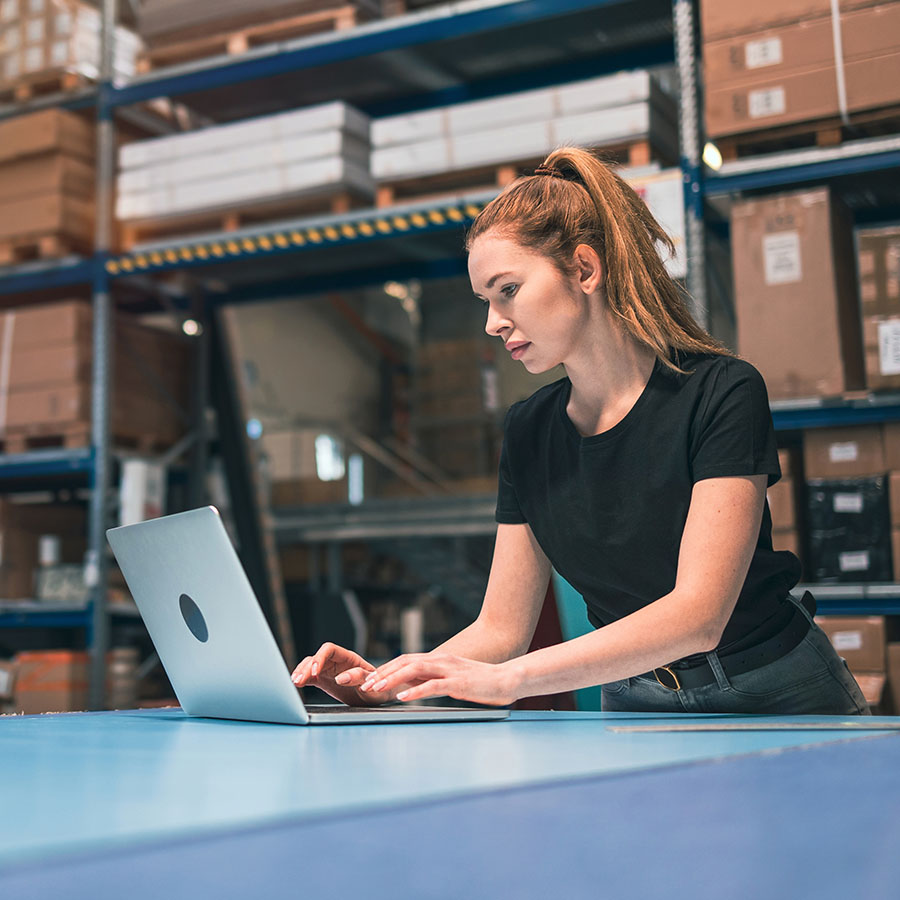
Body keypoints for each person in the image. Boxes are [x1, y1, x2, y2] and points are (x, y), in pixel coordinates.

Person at [291, 146, 870, 716]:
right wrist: (391, 683)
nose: (493, 323)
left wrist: (510, 680)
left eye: (508, 290)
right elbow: (500, 628)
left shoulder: (721, 392)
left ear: (584, 269)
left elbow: (700, 615)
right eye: (484, 301)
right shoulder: (527, 430)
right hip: (634, 697)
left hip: (775, 691)